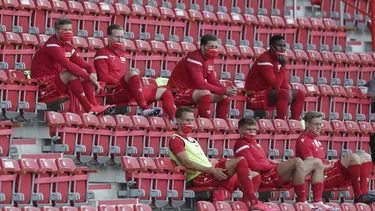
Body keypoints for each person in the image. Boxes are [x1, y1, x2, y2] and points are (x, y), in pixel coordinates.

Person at [168, 107, 275, 211]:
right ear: (179, 121)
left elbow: (200, 160)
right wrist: (212, 170)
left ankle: (249, 206)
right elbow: (187, 162)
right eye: (187, 120)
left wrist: (212, 165)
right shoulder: (176, 139)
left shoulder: (191, 139)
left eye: (192, 120)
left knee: (255, 176)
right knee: (240, 160)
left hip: (209, 172)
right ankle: (254, 201)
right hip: (199, 177)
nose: (190, 123)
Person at [234, 117, 335, 209]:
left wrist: (273, 162)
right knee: (297, 161)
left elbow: (263, 160)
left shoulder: (255, 143)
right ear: (241, 130)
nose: (252, 133)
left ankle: (318, 201)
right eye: (249, 130)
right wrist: (274, 165)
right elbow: (254, 166)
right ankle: (302, 201)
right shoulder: (241, 144)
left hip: (271, 172)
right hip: (265, 177)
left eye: (254, 130)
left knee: (316, 162)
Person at [31, 17, 114, 115]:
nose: (68, 32)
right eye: (65, 30)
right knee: (72, 73)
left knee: (82, 73)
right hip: (43, 87)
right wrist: (90, 79)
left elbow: (86, 65)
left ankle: (94, 106)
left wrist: (92, 73)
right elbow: (68, 65)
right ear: (57, 32)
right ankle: (89, 108)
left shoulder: (67, 46)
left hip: (56, 84)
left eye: (70, 29)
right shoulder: (52, 45)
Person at [94, 24, 176, 119]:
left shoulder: (122, 55)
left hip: (129, 90)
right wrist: (124, 80)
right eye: (117, 37)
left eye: (122, 37)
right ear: (108, 37)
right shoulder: (102, 53)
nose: (120, 40)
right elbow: (103, 77)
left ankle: (173, 120)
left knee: (164, 91)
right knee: (132, 73)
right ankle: (144, 109)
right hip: (113, 91)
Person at [296, 111, 375, 203]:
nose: (319, 127)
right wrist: (329, 165)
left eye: (320, 124)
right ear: (307, 124)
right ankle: (358, 196)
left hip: (327, 170)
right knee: (353, 158)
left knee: (366, 156)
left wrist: (330, 162)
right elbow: (311, 165)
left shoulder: (314, 139)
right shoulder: (303, 140)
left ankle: (363, 194)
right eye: (316, 124)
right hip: (321, 175)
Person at [167, 34, 237, 120]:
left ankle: (222, 125)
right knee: (205, 93)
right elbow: (201, 84)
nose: (214, 49)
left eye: (215, 47)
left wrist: (227, 90)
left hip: (192, 92)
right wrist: (224, 90)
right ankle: (204, 123)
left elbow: (212, 80)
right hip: (176, 92)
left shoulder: (209, 59)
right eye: (211, 46)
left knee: (224, 96)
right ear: (202, 47)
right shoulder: (194, 58)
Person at [245, 35, 305, 120]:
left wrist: (288, 92)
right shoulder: (264, 60)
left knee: (299, 93)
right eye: (279, 46)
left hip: (268, 92)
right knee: (283, 93)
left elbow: (283, 81)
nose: (282, 48)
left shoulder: (278, 59)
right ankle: (280, 122)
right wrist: (283, 66)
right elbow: (276, 85)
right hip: (255, 94)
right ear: (272, 47)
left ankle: (295, 123)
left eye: (284, 46)